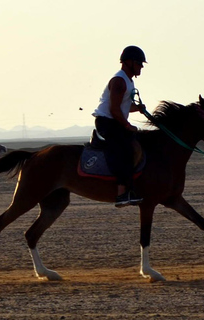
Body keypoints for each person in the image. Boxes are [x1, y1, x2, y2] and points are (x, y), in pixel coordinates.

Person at [92, 45, 147, 208]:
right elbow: (114, 109)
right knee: (123, 150)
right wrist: (127, 125)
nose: (141, 67)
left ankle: (131, 188)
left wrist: (138, 108)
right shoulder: (119, 81)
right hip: (107, 122)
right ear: (128, 62)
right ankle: (121, 193)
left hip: (115, 121)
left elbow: (123, 106)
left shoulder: (128, 81)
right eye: (139, 63)